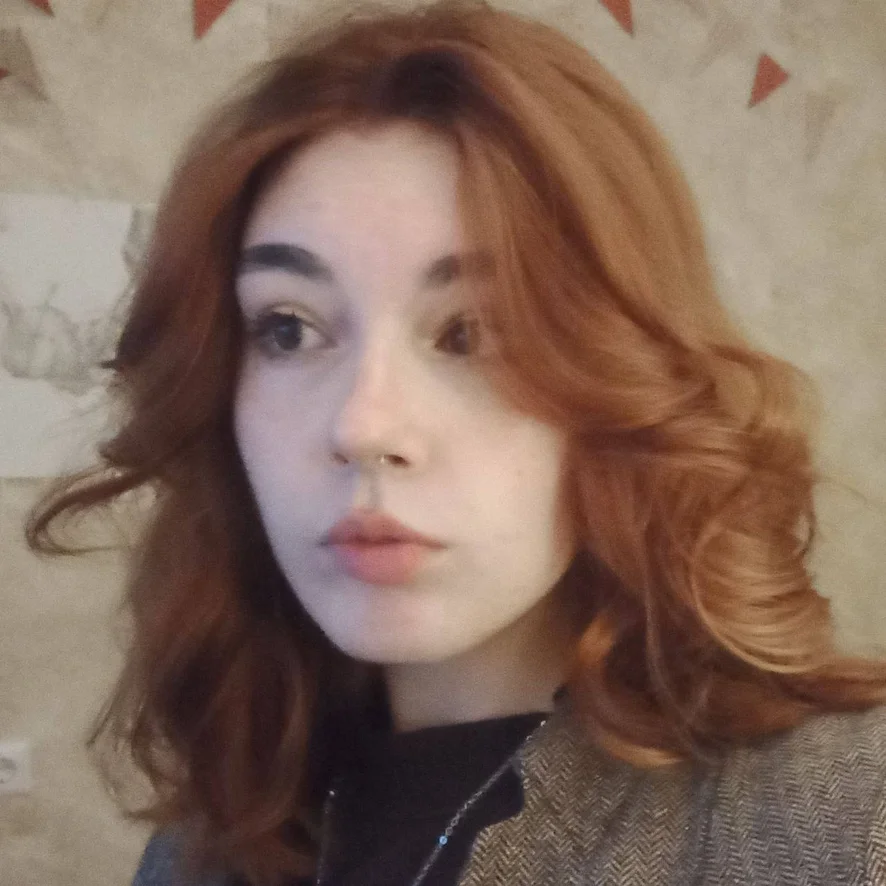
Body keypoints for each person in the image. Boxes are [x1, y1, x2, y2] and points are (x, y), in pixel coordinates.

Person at [26, 1, 886, 884]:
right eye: (288, 329)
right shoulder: (205, 845)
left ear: (623, 377)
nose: (362, 428)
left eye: (471, 333)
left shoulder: (845, 818)